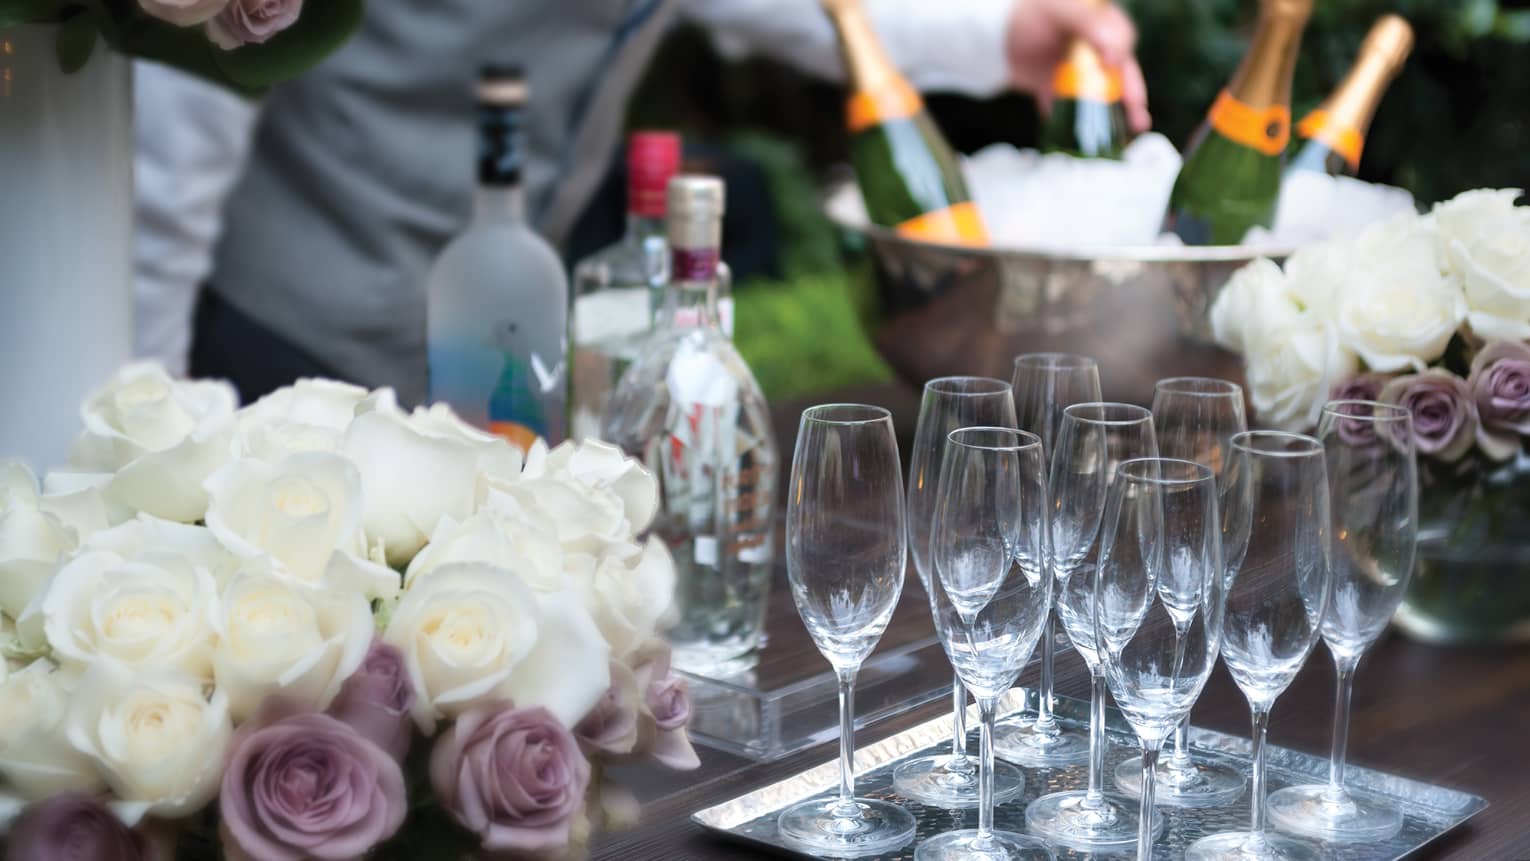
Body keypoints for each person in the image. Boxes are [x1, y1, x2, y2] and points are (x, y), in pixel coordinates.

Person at [135, 0, 1149, 404]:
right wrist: (138, 401)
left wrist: (1004, 31)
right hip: (276, 328)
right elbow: (166, 152)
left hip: (490, 331)